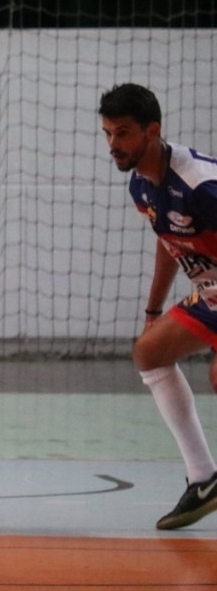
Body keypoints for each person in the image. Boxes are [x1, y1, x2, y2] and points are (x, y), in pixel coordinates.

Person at [99, 82, 217, 530]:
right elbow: (170, 243)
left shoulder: (201, 186)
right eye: (108, 133)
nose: (113, 144)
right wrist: (153, 312)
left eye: (123, 133)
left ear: (153, 131)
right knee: (149, 352)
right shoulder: (142, 186)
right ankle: (204, 479)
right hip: (211, 292)